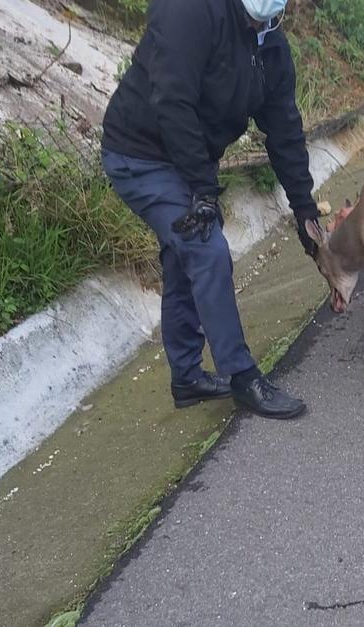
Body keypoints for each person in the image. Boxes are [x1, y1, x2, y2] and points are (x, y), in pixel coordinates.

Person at [100, 0, 321, 420]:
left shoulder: (270, 42)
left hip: (190, 158)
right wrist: (202, 189)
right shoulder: (188, 11)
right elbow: (172, 99)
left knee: (183, 253)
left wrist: (304, 209)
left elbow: (285, 129)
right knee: (205, 247)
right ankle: (241, 375)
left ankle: (186, 377)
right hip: (140, 154)